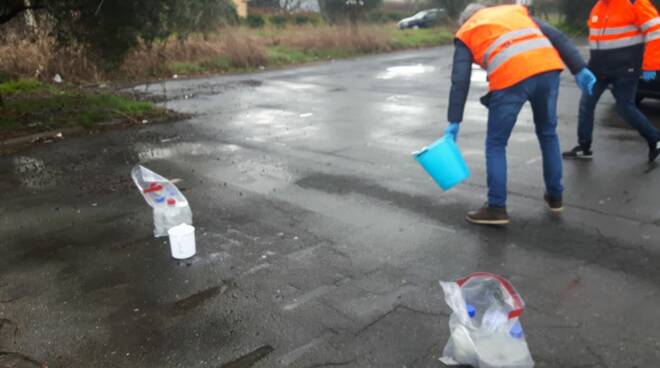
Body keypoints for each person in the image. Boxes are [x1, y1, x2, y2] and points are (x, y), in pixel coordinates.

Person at [444, 3, 597, 225]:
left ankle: (496, 208)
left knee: (496, 143)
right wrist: (579, 67)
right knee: (548, 133)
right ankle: (555, 197)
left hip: (511, 78)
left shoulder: (466, 31)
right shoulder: (514, 11)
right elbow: (557, 37)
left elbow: (460, 79)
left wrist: (454, 120)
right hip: (547, 69)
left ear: (465, 20)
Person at [563, 0, 660, 162]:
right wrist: (589, 67)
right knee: (586, 103)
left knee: (625, 107)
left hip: (626, 68)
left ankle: (655, 139)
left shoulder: (635, 2)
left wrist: (650, 66)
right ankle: (584, 147)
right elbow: (598, 40)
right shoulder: (598, 7)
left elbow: (656, 31)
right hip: (599, 69)